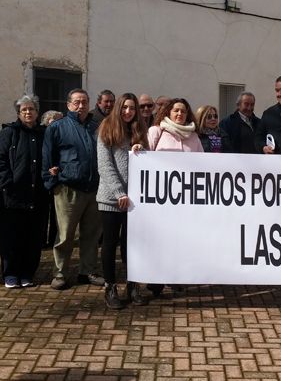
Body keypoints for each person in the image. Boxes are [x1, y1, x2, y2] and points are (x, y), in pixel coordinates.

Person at [42, 89, 104, 290]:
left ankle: (88, 271)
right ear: (68, 104)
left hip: (94, 189)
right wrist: (53, 183)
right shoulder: (57, 127)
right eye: (77, 102)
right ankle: (60, 273)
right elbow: (47, 158)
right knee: (65, 235)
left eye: (84, 102)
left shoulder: (97, 127)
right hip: (68, 188)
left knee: (91, 234)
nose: (81, 106)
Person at [96, 93, 149, 309]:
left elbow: (147, 162)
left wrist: (140, 150)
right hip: (111, 199)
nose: (128, 112)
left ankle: (132, 284)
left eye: (132, 108)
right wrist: (119, 193)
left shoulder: (138, 130)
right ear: (118, 108)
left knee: (131, 245)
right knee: (109, 244)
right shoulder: (106, 129)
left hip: (134, 201)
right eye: (125, 108)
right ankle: (110, 286)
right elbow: (105, 165)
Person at [146, 98, 203, 298]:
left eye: (183, 111)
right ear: (168, 112)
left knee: (180, 239)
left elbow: (202, 165)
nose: (180, 114)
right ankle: (156, 279)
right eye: (176, 111)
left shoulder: (194, 137)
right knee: (160, 239)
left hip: (185, 199)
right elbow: (146, 159)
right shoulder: (156, 131)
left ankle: (176, 276)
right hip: (160, 199)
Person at [0, 95, 48, 288]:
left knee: (33, 237)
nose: (28, 112)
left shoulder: (44, 134)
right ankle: (10, 273)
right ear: (18, 113)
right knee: (10, 237)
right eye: (24, 110)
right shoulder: (9, 132)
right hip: (11, 196)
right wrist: (7, 182)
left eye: (31, 109)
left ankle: (27, 273)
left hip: (37, 195)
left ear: (37, 112)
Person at [40, 110, 63, 249]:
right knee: (43, 213)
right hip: (43, 178)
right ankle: (42, 239)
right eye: (54, 121)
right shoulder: (41, 134)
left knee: (56, 213)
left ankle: (53, 238)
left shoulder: (62, 137)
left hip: (58, 177)